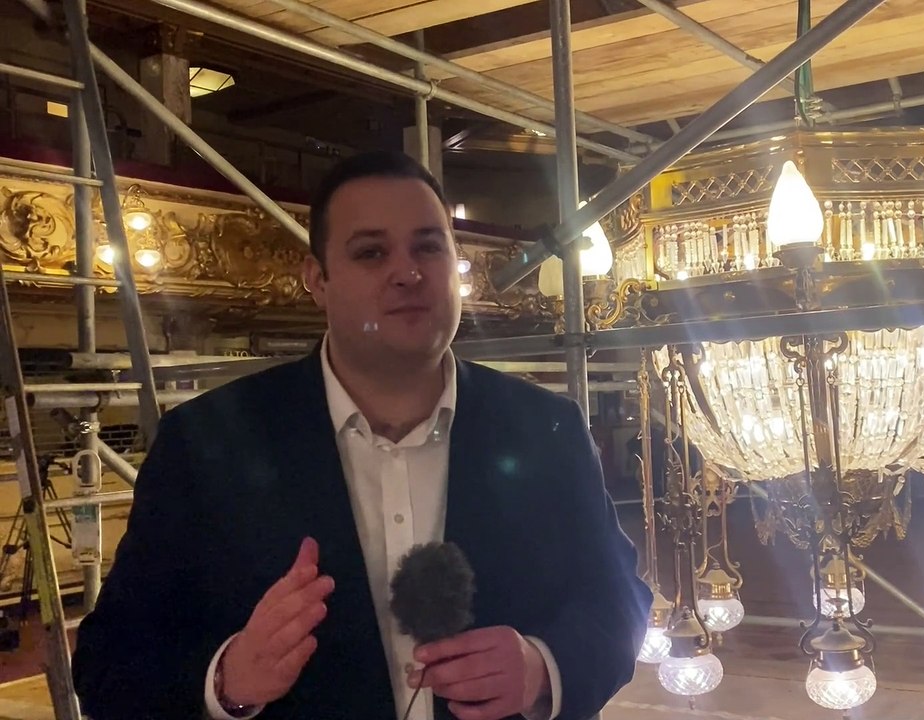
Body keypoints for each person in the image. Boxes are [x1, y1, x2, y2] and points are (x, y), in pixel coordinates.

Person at [71, 150, 652, 720]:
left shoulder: (547, 429)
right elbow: (110, 662)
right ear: (317, 280)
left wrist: (542, 666)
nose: (409, 272)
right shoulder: (205, 443)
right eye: (371, 252)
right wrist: (227, 679)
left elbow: (619, 601)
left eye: (429, 246)